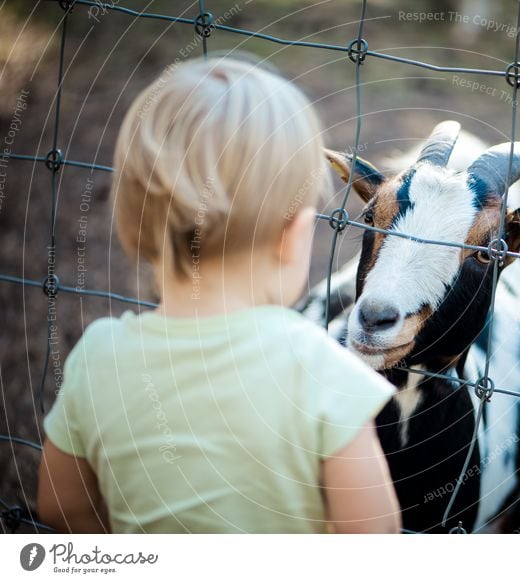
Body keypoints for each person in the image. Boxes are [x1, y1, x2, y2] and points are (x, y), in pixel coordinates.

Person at [37, 55, 400, 534]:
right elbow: (374, 540)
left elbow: (62, 509)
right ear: (293, 236)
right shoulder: (323, 372)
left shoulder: (99, 357)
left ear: (135, 224)